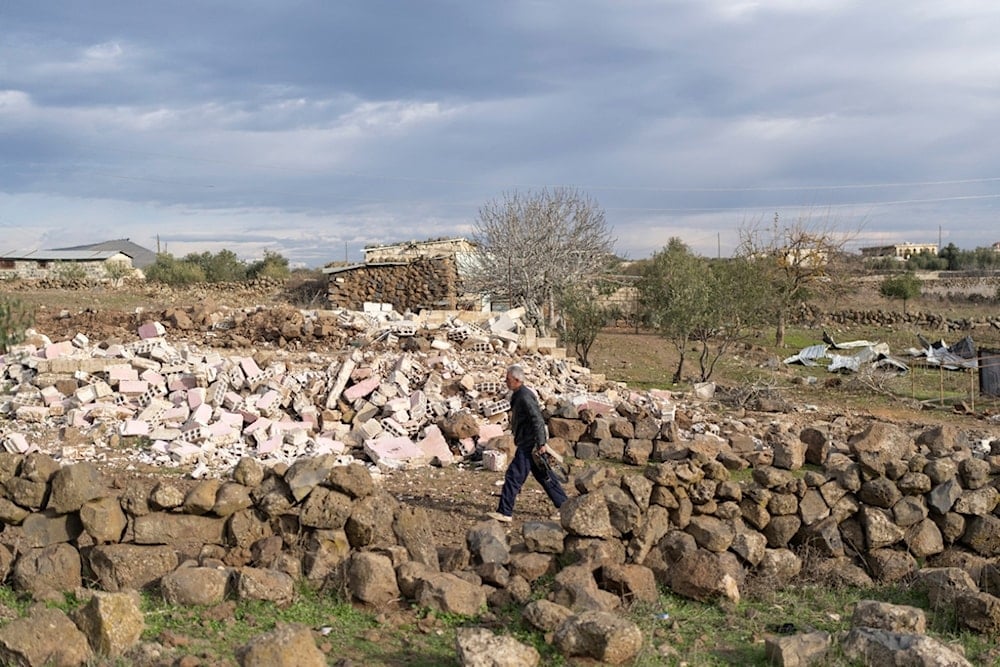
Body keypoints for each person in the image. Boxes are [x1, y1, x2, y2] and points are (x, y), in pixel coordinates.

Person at [487, 364, 567, 523]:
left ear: (516, 380)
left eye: (508, 379)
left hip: (529, 444)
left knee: (513, 477)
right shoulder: (519, 394)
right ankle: (565, 507)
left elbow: (537, 419)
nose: (505, 381)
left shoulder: (524, 396)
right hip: (529, 442)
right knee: (545, 477)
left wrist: (541, 443)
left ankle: (505, 512)